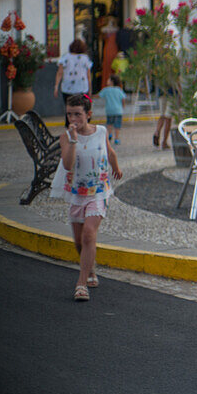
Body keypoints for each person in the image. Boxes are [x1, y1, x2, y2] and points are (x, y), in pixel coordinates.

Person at [50, 94, 122, 302]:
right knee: (79, 242)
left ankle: (81, 283)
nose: (73, 119)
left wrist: (116, 167)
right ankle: (90, 268)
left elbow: (110, 152)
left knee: (89, 234)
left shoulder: (101, 131)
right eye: (70, 114)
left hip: (98, 191)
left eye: (78, 114)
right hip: (76, 193)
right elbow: (67, 165)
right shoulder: (66, 137)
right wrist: (73, 140)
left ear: (88, 114)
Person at [54, 38, 93, 126]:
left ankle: (69, 127)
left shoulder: (65, 57)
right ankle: (82, 127)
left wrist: (56, 86)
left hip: (67, 88)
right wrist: (90, 89)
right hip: (82, 88)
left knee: (70, 109)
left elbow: (59, 73)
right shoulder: (85, 58)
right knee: (82, 109)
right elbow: (88, 76)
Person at [97, 75, 126, 146]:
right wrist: (123, 107)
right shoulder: (119, 90)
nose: (107, 81)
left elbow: (98, 95)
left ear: (112, 82)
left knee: (109, 123)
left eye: (108, 80)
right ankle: (116, 138)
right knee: (117, 125)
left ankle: (110, 134)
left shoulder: (106, 90)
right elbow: (123, 99)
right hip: (118, 110)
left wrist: (87, 96)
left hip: (109, 110)